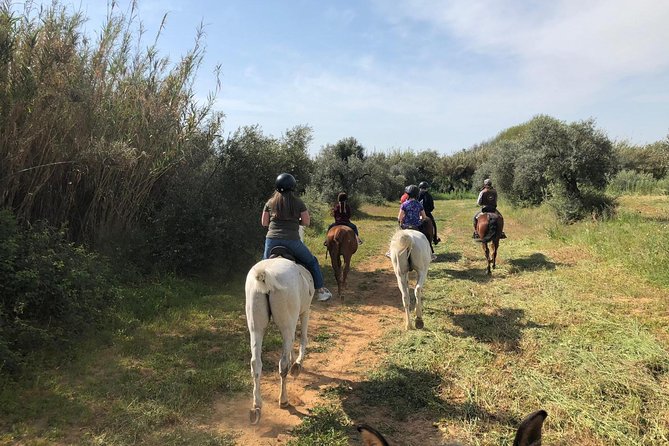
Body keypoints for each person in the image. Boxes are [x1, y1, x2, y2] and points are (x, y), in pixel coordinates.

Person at [262, 173, 333, 301]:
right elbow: (306, 222)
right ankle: (321, 291)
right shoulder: (298, 202)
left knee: (263, 268)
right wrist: (296, 222)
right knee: (312, 261)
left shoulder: (270, 203)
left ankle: (260, 293)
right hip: (292, 241)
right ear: (293, 187)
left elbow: (264, 223)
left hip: (272, 240)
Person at [399, 184, 437, 260]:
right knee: (426, 236)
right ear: (417, 194)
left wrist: (401, 223)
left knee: (397, 239)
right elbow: (424, 217)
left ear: (408, 194)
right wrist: (421, 221)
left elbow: (399, 218)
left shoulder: (404, 204)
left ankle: (390, 251)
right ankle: (430, 251)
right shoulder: (419, 204)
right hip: (416, 226)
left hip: (406, 226)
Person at [418, 181, 441, 245]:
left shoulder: (417, 195)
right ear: (426, 188)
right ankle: (435, 238)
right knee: (433, 224)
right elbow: (432, 207)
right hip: (426, 214)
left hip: (419, 214)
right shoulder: (429, 196)